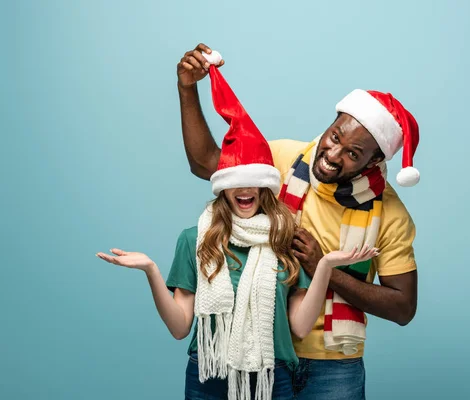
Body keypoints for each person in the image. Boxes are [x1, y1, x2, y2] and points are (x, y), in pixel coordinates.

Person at [97, 57, 378, 400]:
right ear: (223, 187)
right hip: (209, 375)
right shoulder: (195, 239)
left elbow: (300, 326)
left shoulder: (285, 238)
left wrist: (325, 266)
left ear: (265, 187)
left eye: (253, 183)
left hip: (274, 379)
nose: (245, 191)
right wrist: (151, 270)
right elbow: (179, 326)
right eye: (237, 182)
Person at [176, 43, 421, 400]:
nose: (332, 155)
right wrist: (187, 88)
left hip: (334, 367)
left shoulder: (390, 214)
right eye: (335, 136)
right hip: (262, 353)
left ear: (373, 162)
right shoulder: (283, 159)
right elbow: (206, 164)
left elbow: (403, 307)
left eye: (353, 153)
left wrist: (324, 268)